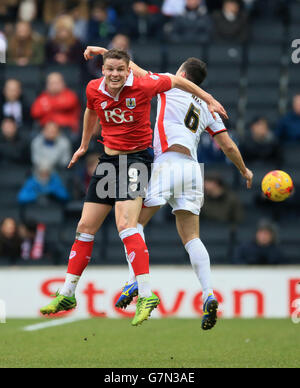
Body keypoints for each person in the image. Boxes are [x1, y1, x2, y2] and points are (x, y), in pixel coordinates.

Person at [40, 47, 228, 327]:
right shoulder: (93, 88)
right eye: (110, 69)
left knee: (127, 225)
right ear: (102, 70)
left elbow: (178, 81)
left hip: (136, 161)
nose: (114, 74)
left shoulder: (143, 85)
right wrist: (83, 145)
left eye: (120, 70)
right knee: (85, 226)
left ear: (129, 70)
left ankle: (146, 294)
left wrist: (209, 97)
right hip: (108, 161)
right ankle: (68, 292)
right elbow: (91, 112)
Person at [84, 46, 252, 330]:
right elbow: (228, 145)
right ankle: (208, 293)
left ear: (183, 74)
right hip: (192, 170)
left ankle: (134, 282)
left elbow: (130, 71)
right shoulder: (208, 108)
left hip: (166, 164)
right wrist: (245, 171)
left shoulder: (168, 85)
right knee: (192, 238)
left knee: (131, 224)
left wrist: (103, 51)